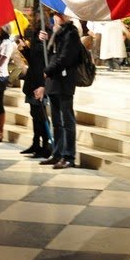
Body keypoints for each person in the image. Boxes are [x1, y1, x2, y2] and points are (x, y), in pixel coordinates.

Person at [39, 11, 83, 169]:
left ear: (64, 16)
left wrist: (48, 70)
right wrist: (44, 40)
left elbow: (65, 58)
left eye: (56, 15)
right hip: (53, 82)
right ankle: (57, 153)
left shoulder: (71, 34)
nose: (54, 18)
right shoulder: (56, 33)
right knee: (56, 122)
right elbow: (51, 54)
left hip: (64, 82)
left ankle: (68, 156)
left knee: (67, 121)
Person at [18, 20, 52, 158]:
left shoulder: (48, 38)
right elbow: (34, 60)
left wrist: (44, 85)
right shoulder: (36, 37)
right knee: (35, 115)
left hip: (41, 83)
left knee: (41, 116)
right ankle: (35, 143)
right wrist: (24, 49)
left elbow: (46, 61)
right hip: (32, 82)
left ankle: (46, 145)